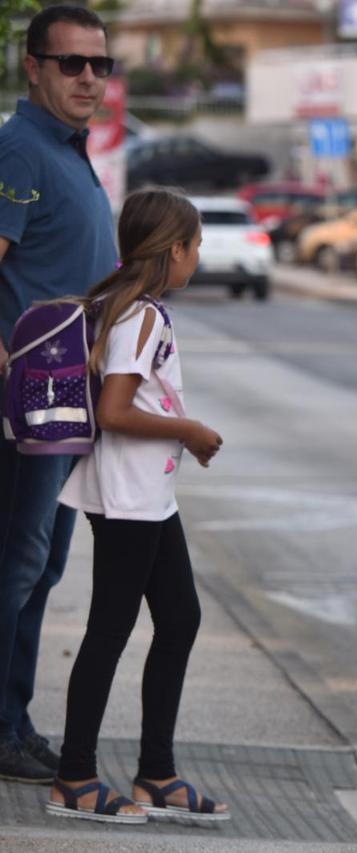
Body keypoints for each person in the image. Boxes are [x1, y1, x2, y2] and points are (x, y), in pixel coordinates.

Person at [48, 188, 228, 825]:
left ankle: (156, 772)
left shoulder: (122, 305)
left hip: (147, 494)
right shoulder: (141, 316)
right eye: (196, 246)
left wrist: (182, 436)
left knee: (179, 619)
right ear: (173, 250)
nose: (198, 258)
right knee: (109, 631)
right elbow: (115, 411)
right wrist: (189, 431)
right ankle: (74, 776)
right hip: (128, 497)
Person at [0, 4, 119, 783]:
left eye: (98, 65)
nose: (87, 78)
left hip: (69, 400)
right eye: (70, 63)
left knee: (38, 568)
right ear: (32, 67)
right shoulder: (19, 148)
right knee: (14, 565)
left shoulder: (67, 151)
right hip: (27, 401)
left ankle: (11, 721)